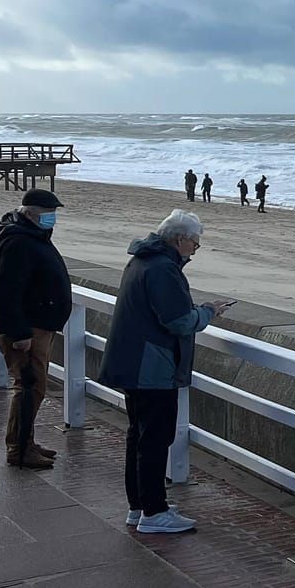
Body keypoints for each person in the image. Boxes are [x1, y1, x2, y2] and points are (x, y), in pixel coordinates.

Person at [99, 210, 233, 534]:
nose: (196, 249)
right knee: (155, 439)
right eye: (195, 243)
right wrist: (208, 311)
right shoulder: (162, 268)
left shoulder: (143, 260)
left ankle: (141, 506)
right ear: (179, 239)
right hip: (151, 367)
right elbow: (180, 322)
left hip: (134, 363)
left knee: (139, 436)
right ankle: (154, 513)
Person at [0, 189, 73, 471]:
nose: (53, 219)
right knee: (29, 388)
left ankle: (27, 441)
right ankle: (19, 449)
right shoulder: (18, 243)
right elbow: (5, 292)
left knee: (33, 388)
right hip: (26, 329)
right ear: (29, 213)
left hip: (38, 324)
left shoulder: (31, 237)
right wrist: (20, 332)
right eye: (49, 214)